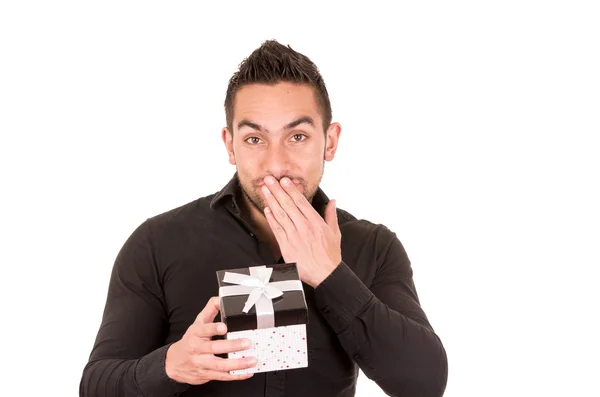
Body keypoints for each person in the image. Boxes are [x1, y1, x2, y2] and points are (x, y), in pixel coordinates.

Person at [79, 40, 448, 397]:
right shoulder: (157, 243)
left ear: (330, 141)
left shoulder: (373, 246)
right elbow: (95, 385)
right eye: (255, 139)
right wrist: (170, 366)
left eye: (298, 136)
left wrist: (331, 275)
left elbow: (424, 383)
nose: (276, 165)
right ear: (230, 145)